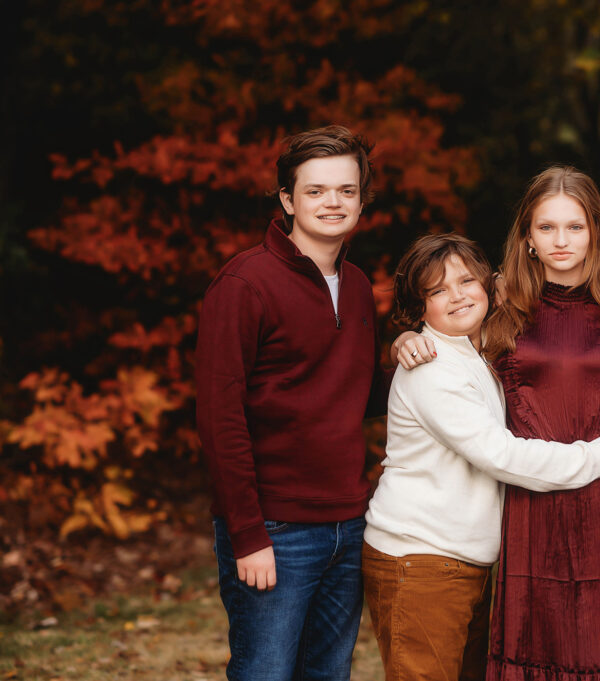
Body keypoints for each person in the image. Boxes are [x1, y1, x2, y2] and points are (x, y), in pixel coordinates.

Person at [363, 233, 600, 681]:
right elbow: (502, 455)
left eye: (465, 281)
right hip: (419, 561)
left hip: (462, 562)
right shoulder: (432, 369)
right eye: (436, 291)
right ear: (420, 308)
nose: (456, 296)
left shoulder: (482, 355)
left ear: (489, 285)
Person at [195, 125, 388, 681]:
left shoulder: (355, 284)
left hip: (348, 523)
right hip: (276, 528)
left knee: (328, 673)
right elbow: (219, 419)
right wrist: (248, 535)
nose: (333, 202)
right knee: (265, 673)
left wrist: (408, 355)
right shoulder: (243, 284)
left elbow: (353, 391)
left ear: (360, 199)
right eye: (316, 191)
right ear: (287, 200)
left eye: (346, 191)